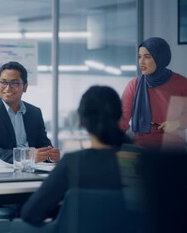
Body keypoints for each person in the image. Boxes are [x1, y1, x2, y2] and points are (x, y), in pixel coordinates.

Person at [21, 85, 134, 225]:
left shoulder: (72, 163)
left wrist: (62, 208)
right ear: (121, 118)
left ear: (81, 121)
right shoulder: (145, 161)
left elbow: (30, 213)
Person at [0, 61, 60, 164]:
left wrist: (50, 155)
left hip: (31, 169)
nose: (7, 88)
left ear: (25, 87)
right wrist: (28, 156)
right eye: (3, 82)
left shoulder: (34, 112)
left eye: (14, 83)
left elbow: (43, 145)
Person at [121, 37, 187, 152]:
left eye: (147, 57)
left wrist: (177, 123)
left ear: (160, 58)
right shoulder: (134, 84)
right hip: (143, 149)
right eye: (140, 56)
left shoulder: (182, 84)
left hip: (173, 149)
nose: (141, 62)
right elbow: (123, 119)